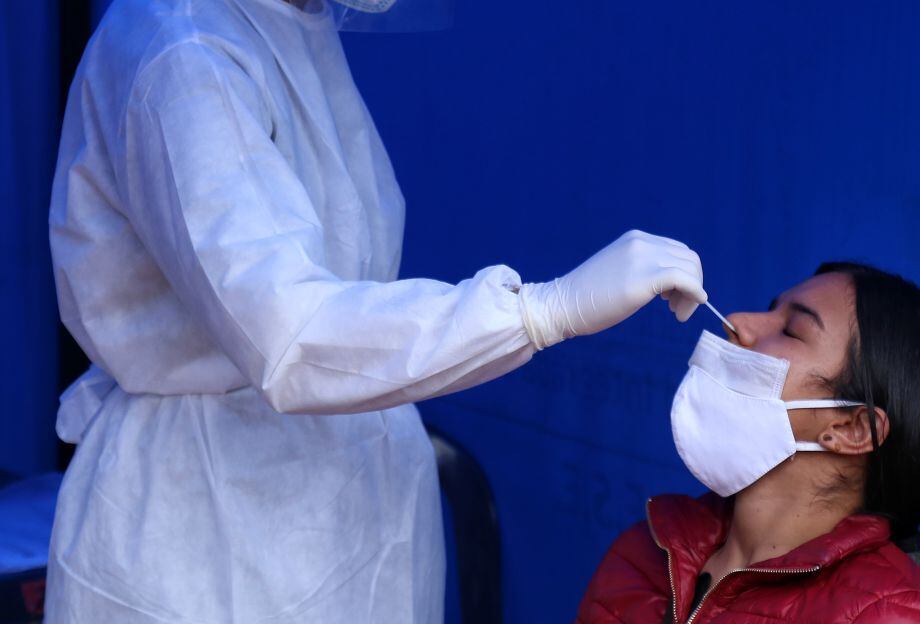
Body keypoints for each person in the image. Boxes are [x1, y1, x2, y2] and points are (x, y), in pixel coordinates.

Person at [45, 0, 709, 621]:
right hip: (212, 516)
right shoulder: (185, 51)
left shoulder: (290, 21)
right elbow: (287, 335)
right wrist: (540, 312)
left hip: (344, 500)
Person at [576, 263, 920, 624]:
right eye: (771, 309)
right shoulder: (643, 554)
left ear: (852, 429)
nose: (738, 322)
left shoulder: (891, 615)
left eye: (792, 330)